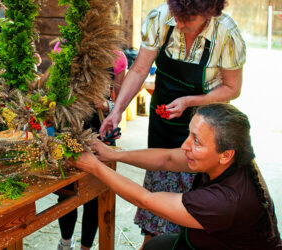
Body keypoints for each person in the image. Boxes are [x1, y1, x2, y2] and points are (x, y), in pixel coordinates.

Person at [99, 0, 246, 246]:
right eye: (177, 15)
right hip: (163, 120)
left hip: (205, 127)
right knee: (157, 194)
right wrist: (117, 111)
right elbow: (138, 70)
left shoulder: (226, 32)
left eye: (187, 19)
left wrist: (190, 101)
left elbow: (232, 88)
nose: (178, 22)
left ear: (208, 14)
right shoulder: (161, 17)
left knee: (193, 209)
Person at [70, 103, 282, 250]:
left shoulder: (224, 201)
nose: (185, 145)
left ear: (226, 155)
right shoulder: (234, 159)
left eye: (196, 141)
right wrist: (112, 154)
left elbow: (145, 200)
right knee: (155, 245)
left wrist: (95, 167)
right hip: (208, 242)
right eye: (189, 134)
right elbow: (168, 159)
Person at [56, 48, 127, 250]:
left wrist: (105, 104)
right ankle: (65, 243)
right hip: (69, 132)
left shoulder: (117, 58)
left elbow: (119, 105)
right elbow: (54, 90)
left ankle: (85, 247)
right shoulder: (64, 47)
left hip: (100, 136)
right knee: (66, 194)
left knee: (94, 197)